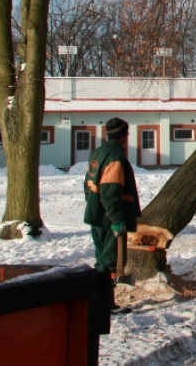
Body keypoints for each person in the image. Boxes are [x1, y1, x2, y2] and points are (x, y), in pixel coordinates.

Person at [84, 118, 141, 279]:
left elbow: (87, 186)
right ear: (123, 136)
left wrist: (93, 205)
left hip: (98, 215)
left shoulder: (98, 153)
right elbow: (110, 192)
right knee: (109, 264)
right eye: (127, 134)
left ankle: (101, 297)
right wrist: (116, 220)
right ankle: (105, 300)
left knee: (102, 260)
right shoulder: (115, 158)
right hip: (109, 219)